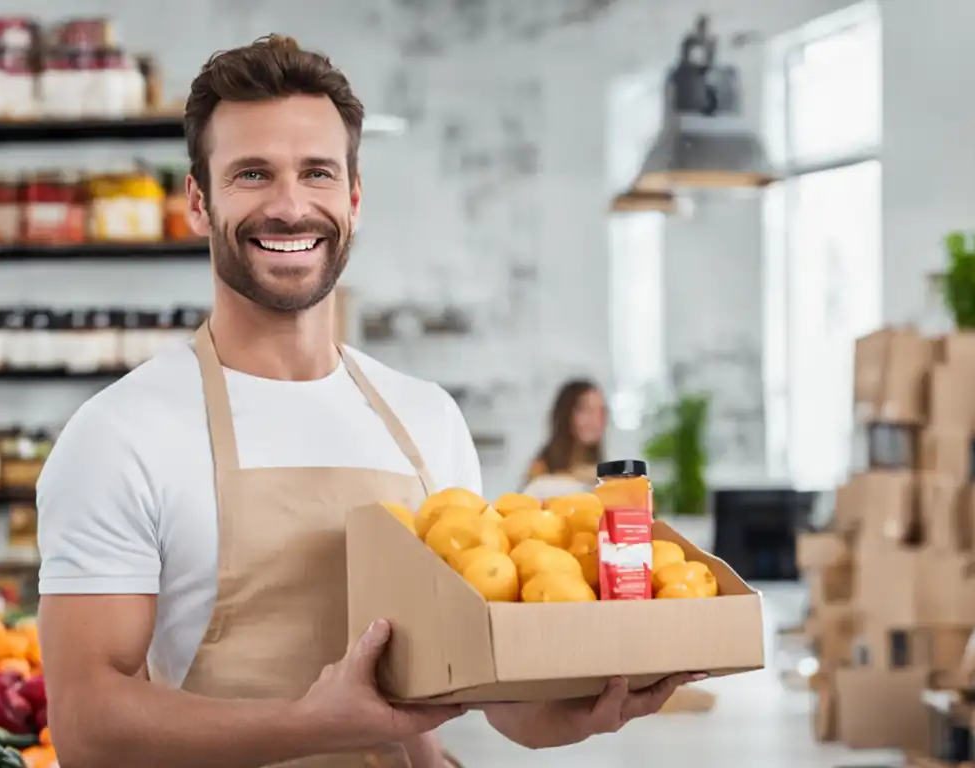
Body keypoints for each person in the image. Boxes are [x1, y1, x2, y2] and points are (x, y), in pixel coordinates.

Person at [35, 34, 698, 768]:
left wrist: (580, 708)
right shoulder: (122, 433)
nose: (290, 207)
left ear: (353, 198)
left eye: (316, 173)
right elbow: (87, 723)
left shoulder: (425, 419)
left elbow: (485, 691)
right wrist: (312, 725)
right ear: (199, 201)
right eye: (252, 174)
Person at [524, 379, 609, 493]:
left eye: (601, 411)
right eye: (587, 410)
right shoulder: (540, 469)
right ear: (566, 414)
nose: (596, 420)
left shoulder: (600, 472)